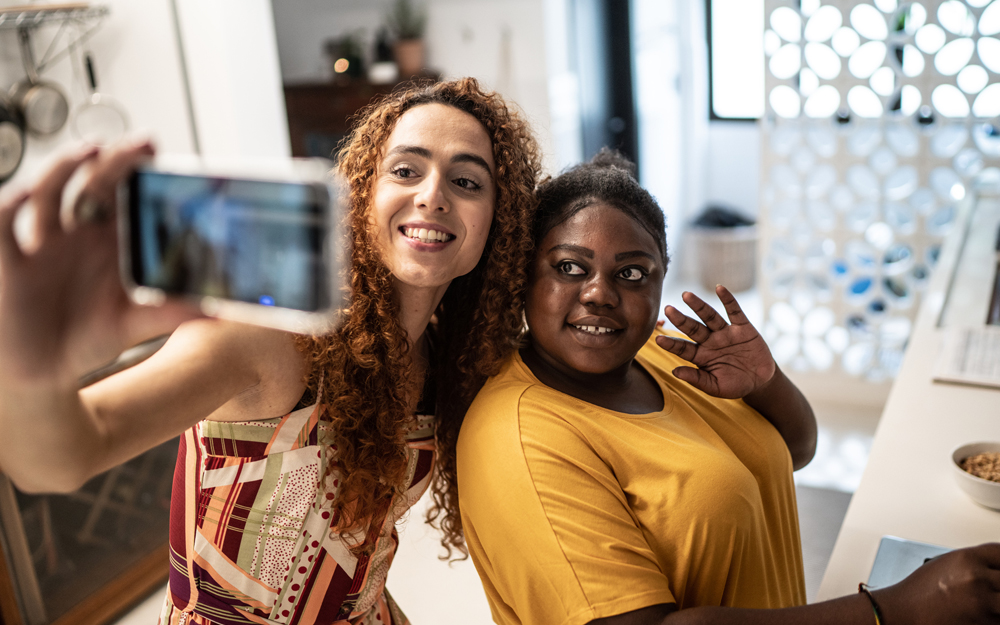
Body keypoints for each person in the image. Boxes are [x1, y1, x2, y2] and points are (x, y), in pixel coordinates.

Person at [0, 78, 541, 624]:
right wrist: (27, 361)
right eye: (405, 170)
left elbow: (360, 559)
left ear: (497, 221)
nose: (432, 195)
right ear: (361, 192)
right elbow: (60, 460)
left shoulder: (447, 359)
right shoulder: (266, 333)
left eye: (468, 181)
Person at [457, 150, 1000, 625]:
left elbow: (794, 450)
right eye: (570, 267)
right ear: (524, 275)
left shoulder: (658, 352)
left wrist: (766, 383)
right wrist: (892, 611)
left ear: (663, 277)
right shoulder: (521, 438)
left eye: (631, 273)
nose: (599, 294)